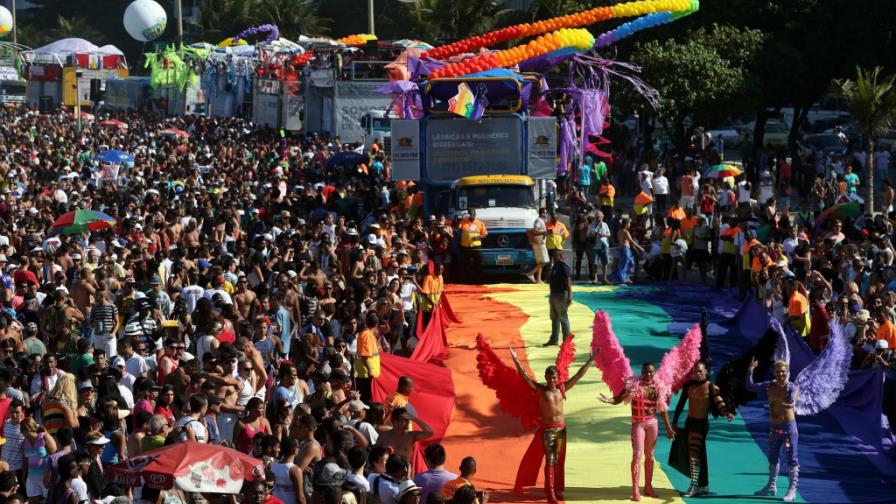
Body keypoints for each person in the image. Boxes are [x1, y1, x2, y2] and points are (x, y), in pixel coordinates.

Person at [509, 346, 595, 503]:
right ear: (545, 377)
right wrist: (515, 358)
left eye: (554, 377)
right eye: (549, 378)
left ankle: (556, 489)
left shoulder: (562, 389)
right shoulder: (541, 390)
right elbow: (524, 376)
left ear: (558, 377)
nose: (551, 380)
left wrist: (591, 359)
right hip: (548, 431)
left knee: (558, 462)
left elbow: (579, 375)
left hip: (561, 429)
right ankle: (550, 494)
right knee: (550, 461)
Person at [600, 362, 676, 502]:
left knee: (650, 456)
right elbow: (619, 398)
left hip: (652, 423)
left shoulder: (658, 387)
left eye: (651, 372)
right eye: (646, 372)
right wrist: (609, 400)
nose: (649, 374)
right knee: (637, 455)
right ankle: (635, 488)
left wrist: (669, 428)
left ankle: (648, 486)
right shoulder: (634, 384)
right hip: (638, 425)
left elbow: (663, 408)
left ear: (654, 373)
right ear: (641, 372)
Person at [669, 362, 734, 496]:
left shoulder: (711, 387)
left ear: (706, 372)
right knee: (696, 453)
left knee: (694, 453)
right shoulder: (689, 385)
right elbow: (681, 403)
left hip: (701, 424)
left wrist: (727, 412)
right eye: (695, 371)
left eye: (700, 371)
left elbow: (719, 401)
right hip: (689, 422)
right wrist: (674, 422)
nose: (697, 374)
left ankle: (694, 486)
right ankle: (703, 485)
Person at [747, 358, 800, 502]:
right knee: (772, 458)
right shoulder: (769, 386)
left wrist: (793, 403)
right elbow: (750, 386)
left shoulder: (791, 388)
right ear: (773, 372)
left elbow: (795, 397)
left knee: (792, 459)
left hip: (789, 430)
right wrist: (750, 371)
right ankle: (771, 486)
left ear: (787, 372)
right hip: (774, 429)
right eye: (778, 372)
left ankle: (792, 490)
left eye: (783, 371)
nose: (780, 374)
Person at [375, 408, 433, 472]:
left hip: (404, 474)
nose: (407, 422)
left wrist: (415, 419)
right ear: (395, 422)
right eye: (404, 420)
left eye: (408, 420)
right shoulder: (383, 436)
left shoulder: (410, 436)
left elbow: (430, 433)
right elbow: (375, 455)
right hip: (387, 473)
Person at [545, 249, 571, 347]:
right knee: (554, 317)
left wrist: (569, 296)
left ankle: (566, 341)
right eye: (553, 255)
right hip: (553, 294)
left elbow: (568, 282)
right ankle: (554, 339)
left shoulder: (563, 266)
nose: (553, 257)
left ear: (560, 256)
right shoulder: (554, 266)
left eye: (555, 255)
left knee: (563, 318)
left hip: (561, 294)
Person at [354, 312, 382, 404]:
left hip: (365, 374)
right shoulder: (367, 335)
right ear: (377, 325)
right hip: (366, 375)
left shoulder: (367, 334)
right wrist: (370, 371)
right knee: (365, 401)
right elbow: (365, 356)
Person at [458, 210, 488, 282]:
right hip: (465, 247)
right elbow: (457, 228)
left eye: (472, 214)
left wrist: (477, 237)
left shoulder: (480, 223)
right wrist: (460, 218)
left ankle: (479, 281)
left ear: (475, 214)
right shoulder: (463, 222)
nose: (471, 215)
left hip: (476, 247)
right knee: (464, 266)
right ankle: (464, 281)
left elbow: (485, 235)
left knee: (478, 265)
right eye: (470, 214)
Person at [526, 207, 550, 284]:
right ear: (541, 213)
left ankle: (538, 279)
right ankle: (530, 273)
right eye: (545, 212)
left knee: (540, 262)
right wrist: (544, 232)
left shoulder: (542, 221)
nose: (546, 214)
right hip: (539, 244)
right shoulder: (538, 221)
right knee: (545, 261)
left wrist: (546, 233)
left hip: (541, 243)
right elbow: (535, 232)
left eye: (546, 213)